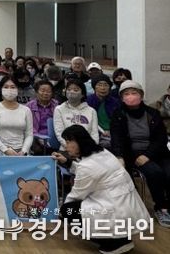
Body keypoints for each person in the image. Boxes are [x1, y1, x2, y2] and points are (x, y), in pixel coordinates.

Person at [53, 125, 149, 254]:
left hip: (112, 208)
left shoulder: (86, 166)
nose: (66, 146)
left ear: (79, 142)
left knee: (68, 210)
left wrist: (61, 212)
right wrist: (68, 162)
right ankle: (122, 239)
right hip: (127, 207)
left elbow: (76, 195)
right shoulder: (103, 152)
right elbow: (92, 171)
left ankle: (110, 242)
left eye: (69, 142)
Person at [110, 80, 170, 227]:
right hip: (133, 154)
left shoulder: (152, 113)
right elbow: (116, 138)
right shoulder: (118, 114)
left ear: (141, 95)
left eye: (134, 93)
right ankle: (161, 208)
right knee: (155, 173)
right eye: (126, 94)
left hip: (156, 151)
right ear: (122, 97)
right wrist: (119, 156)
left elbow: (161, 138)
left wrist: (148, 155)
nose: (131, 96)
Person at [0, 76, 33, 156]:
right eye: (6, 87)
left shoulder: (26, 110)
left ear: (17, 89)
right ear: (1, 89)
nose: (9, 90)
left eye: (12, 87)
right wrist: (6, 150)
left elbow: (29, 135)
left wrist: (24, 151)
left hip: (21, 151)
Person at [53, 79, 98, 149]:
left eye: (76, 90)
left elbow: (94, 134)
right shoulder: (59, 109)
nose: (71, 92)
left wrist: (91, 148)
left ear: (83, 94)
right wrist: (72, 148)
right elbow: (59, 133)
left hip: (88, 149)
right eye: (69, 89)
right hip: (67, 149)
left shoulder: (91, 111)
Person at [86, 75, 120, 149]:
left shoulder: (115, 102)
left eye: (105, 85)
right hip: (94, 133)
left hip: (113, 133)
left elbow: (119, 121)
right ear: (94, 87)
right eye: (99, 85)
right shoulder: (87, 101)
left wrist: (110, 131)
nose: (103, 88)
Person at [26, 80, 58, 154]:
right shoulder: (29, 106)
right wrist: (38, 137)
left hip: (53, 137)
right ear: (36, 92)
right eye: (42, 91)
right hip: (35, 137)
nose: (45, 93)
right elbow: (28, 125)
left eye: (48, 91)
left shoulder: (57, 105)